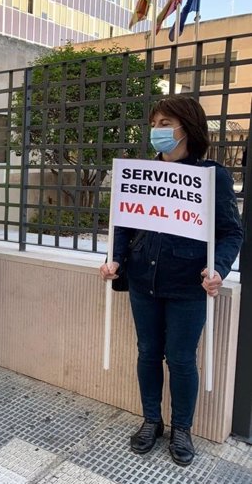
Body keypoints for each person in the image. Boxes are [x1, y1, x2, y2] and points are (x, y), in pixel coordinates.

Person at [99, 95, 243, 466]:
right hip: (143, 279)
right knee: (147, 352)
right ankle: (152, 420)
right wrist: (113, 259)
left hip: (187, 285)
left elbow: (231, 233)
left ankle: (182, 428)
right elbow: (123, 226)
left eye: (166, 124)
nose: (157, 131)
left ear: (187, 128)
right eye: (155, 123)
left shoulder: (213, 177)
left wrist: (219, 270)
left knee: (180, 359)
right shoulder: (141, 174)